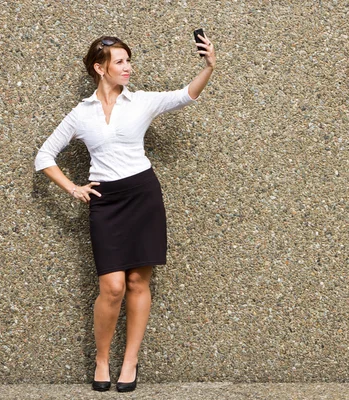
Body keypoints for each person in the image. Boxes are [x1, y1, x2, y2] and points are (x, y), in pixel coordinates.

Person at [34, 33, 215, 392]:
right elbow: (44, 157)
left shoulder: (141, 101)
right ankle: (102, 360)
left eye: (129, 60)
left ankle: (129, 361)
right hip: (106, 202)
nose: (128, 67)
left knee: (137, 282)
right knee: (112, 286)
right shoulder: (80, 114)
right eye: (120, 61)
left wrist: (208, 66)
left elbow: (185, 95)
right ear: (100, 68)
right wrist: (72, 188)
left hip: (143, 195)